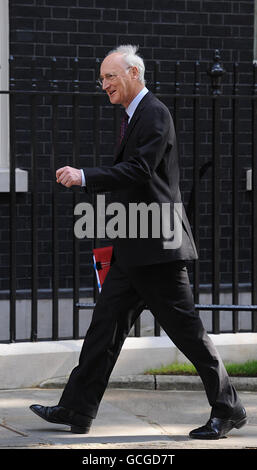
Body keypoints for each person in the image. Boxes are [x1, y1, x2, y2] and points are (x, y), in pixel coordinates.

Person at [30, 45, 247, 439]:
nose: (104, 85)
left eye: (110, 76)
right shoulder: (135, 117)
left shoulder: (154, 113)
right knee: (104, 329)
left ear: (134, 73)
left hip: (158, 249)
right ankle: (76, 409)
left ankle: (228, 407)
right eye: (102, 79)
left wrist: (85, 176)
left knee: (188, 334)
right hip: (134, 245)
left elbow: (140, 170)